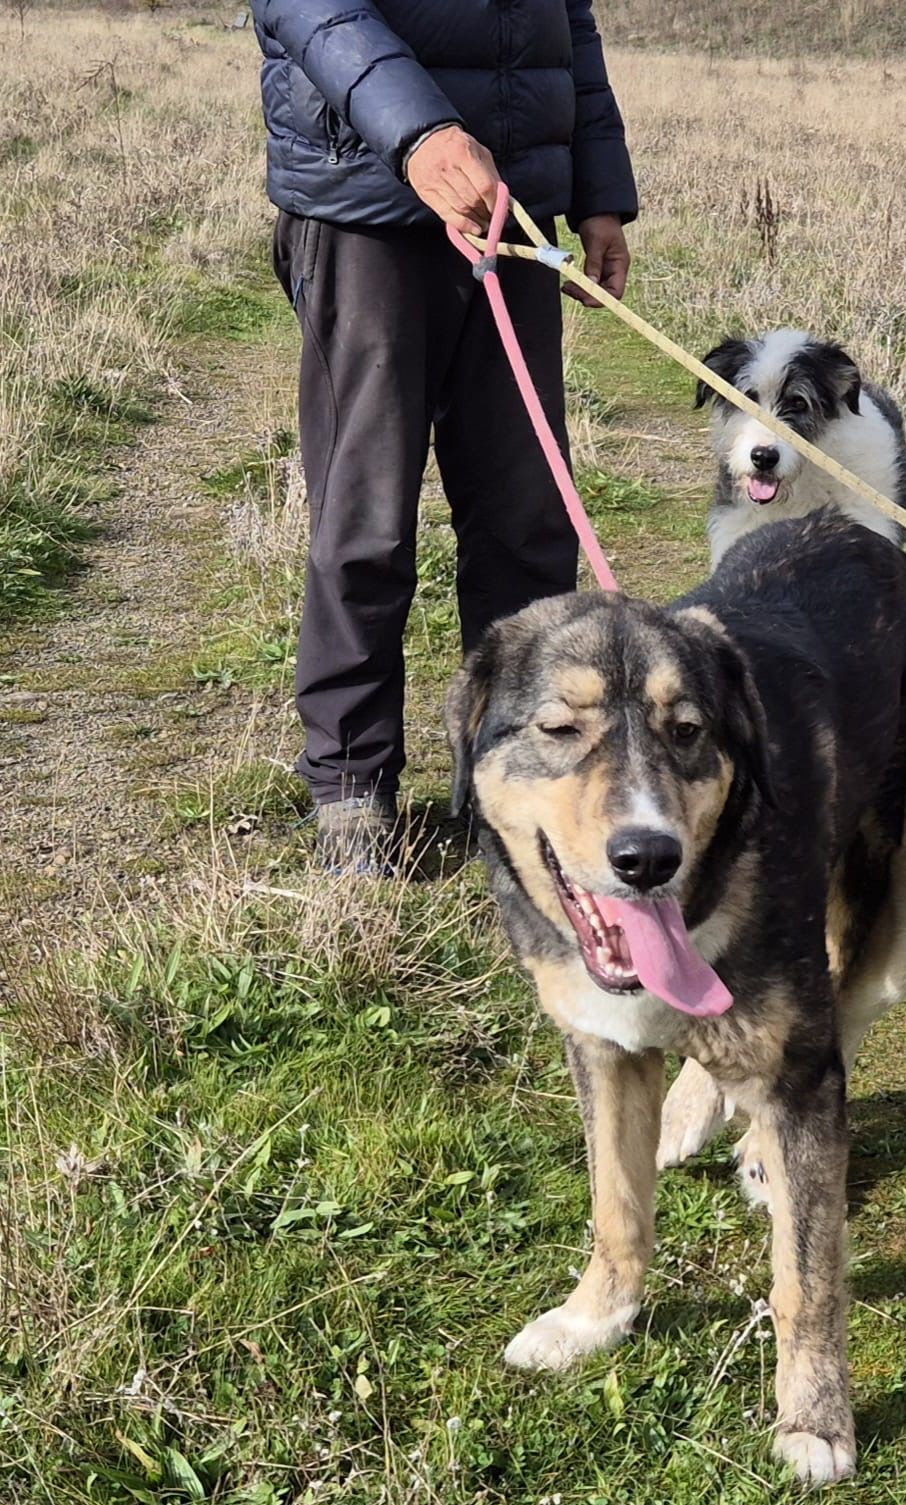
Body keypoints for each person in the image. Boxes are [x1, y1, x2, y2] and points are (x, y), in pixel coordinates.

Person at [250, 2, 637, 871]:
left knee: (528, 520)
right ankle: (353, 786)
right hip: (367, 205)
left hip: (513, 215)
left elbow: (565, 20)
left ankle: (518, 774)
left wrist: (597, 193)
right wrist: (421, 134)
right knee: (367, 521)